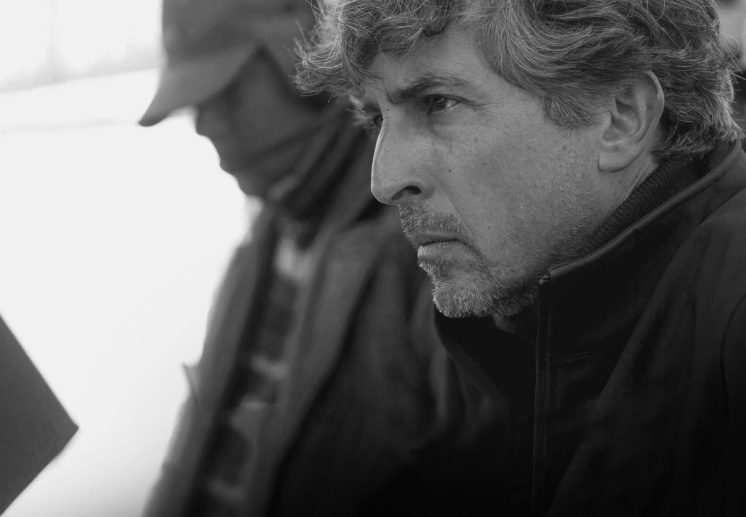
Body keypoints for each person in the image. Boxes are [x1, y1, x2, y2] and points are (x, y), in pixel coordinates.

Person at [297, 0, 746, 515]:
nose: (384, 181)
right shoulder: (502, 314)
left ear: (621, 117)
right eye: (377, 118)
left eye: (438, 103)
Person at [138, 0, 444, 515]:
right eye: (194, 103)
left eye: (228, 90)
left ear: (305, 58)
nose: (204, 125)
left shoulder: (427, 248)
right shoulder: (270, 228)